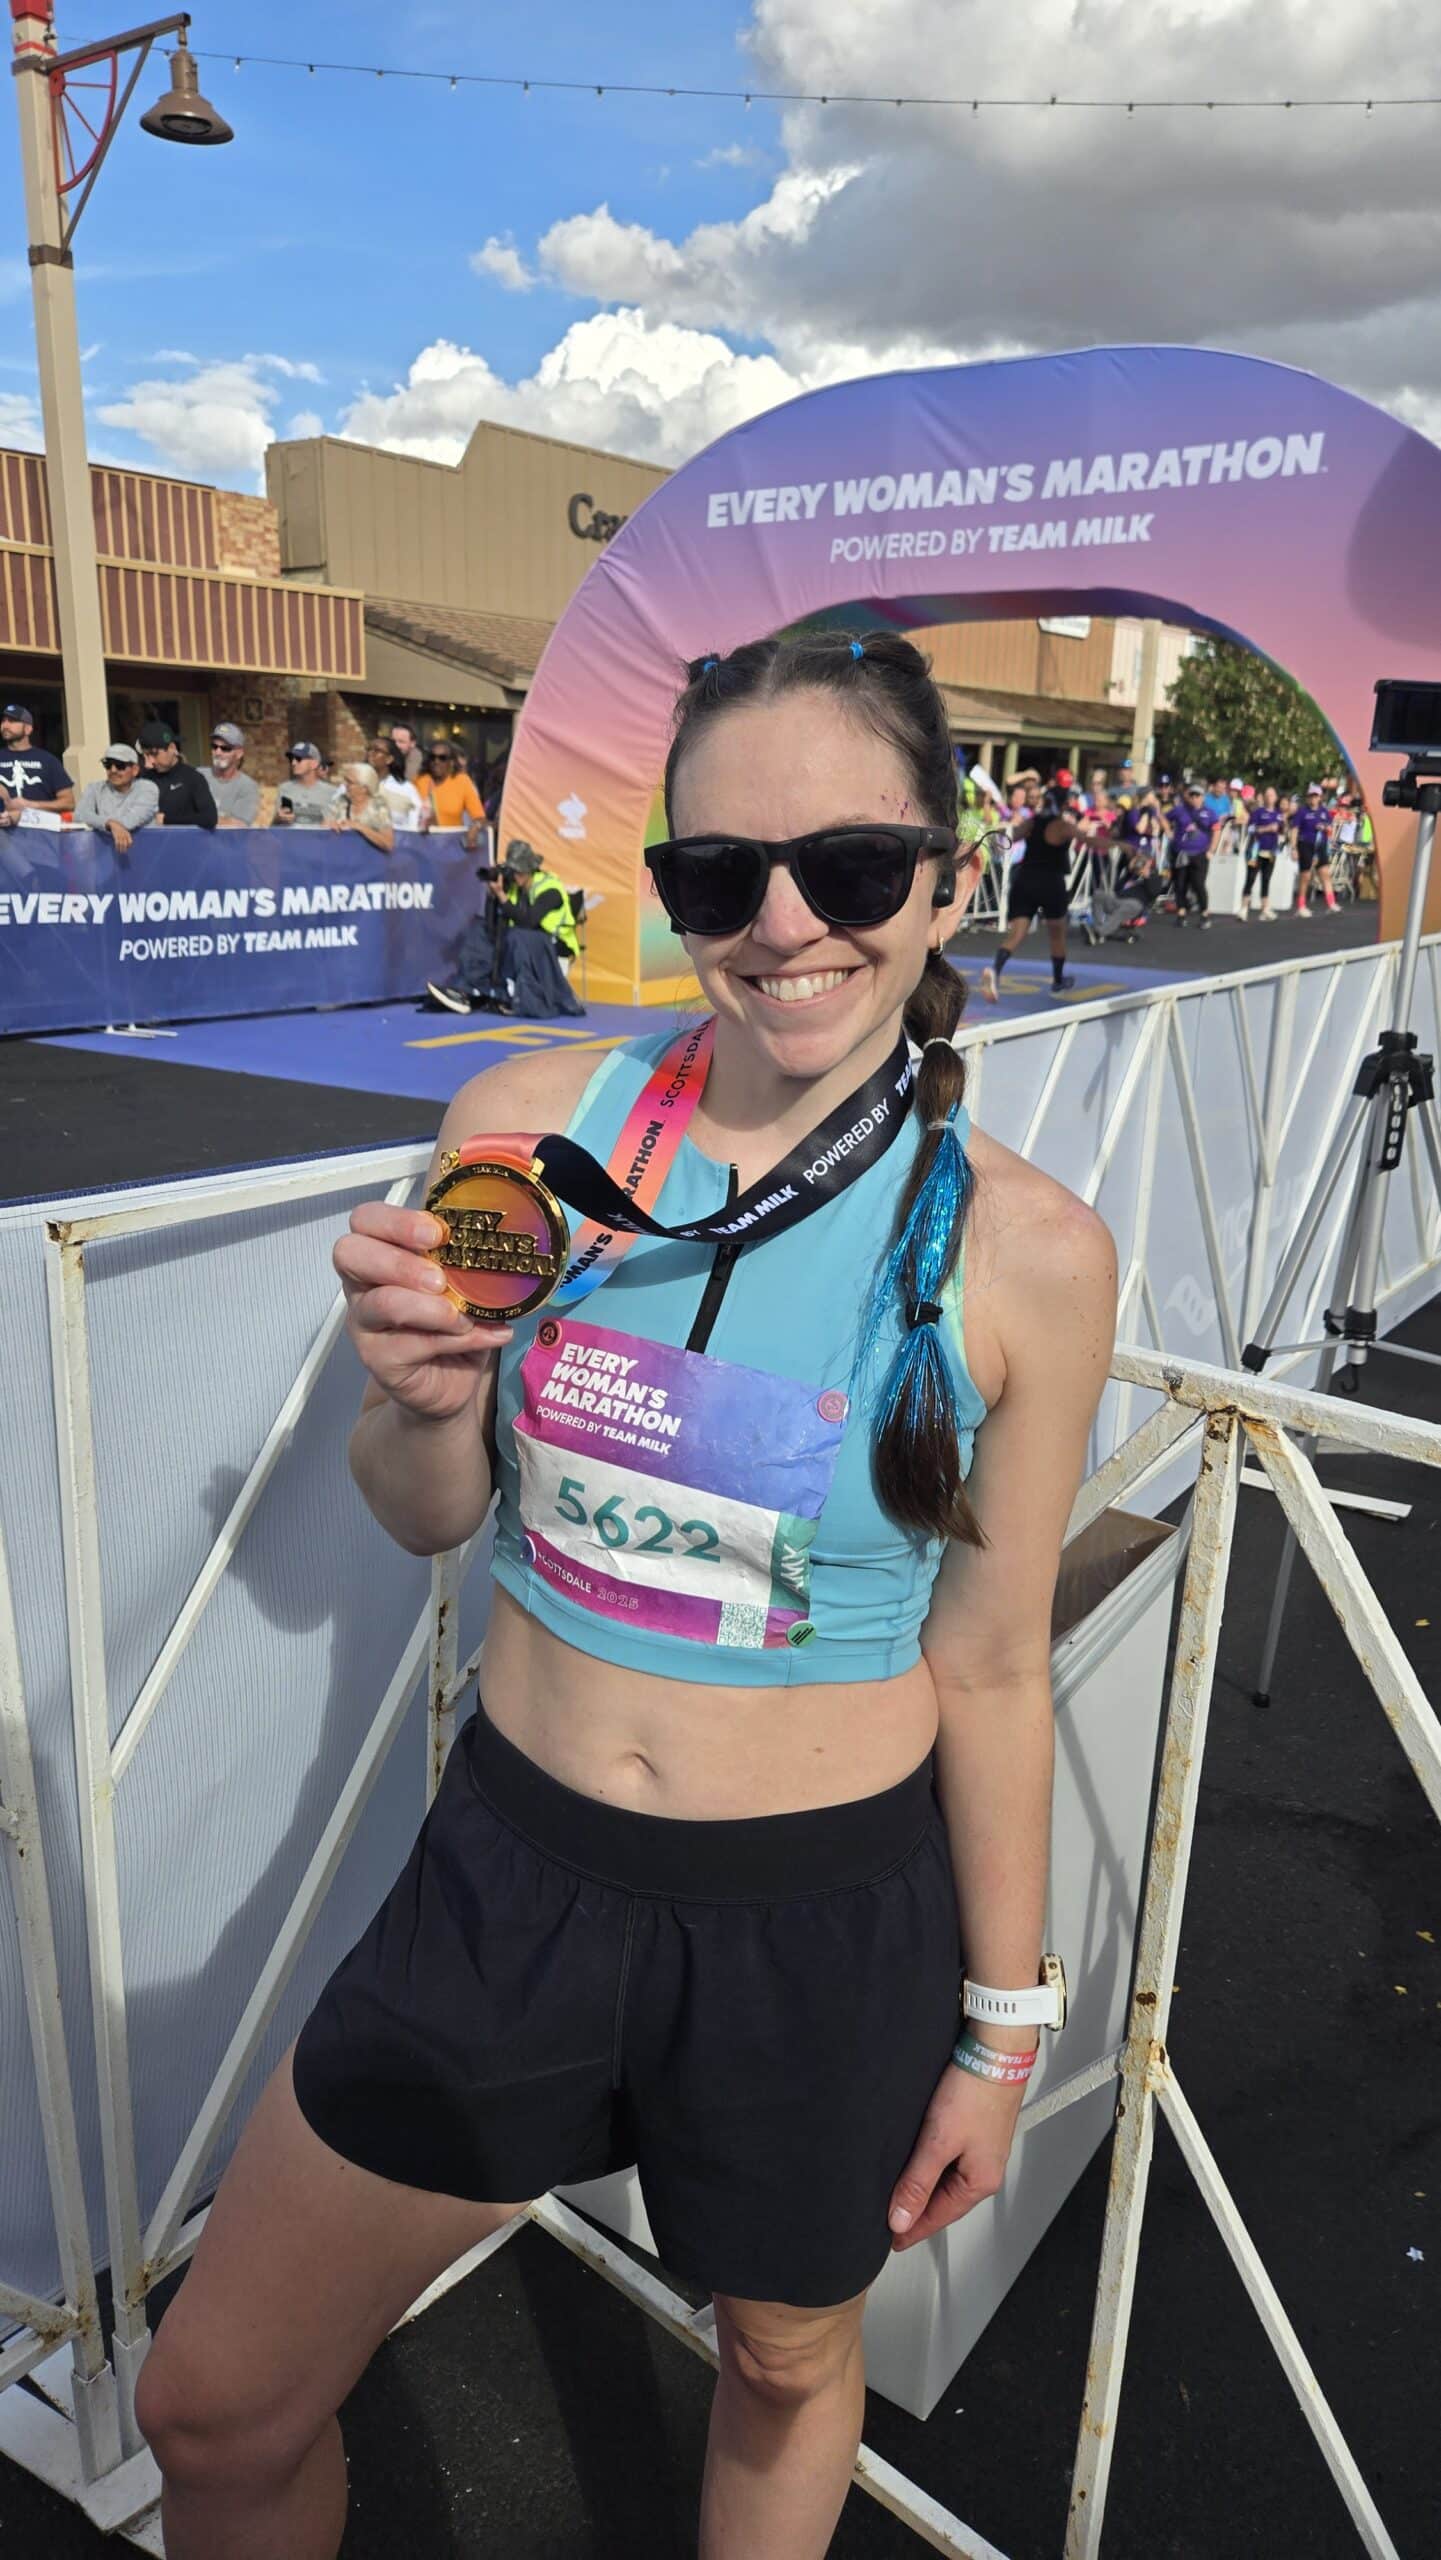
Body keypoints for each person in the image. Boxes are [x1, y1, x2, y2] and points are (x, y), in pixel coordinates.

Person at [135, 626, 1116, 2560]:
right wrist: (420, 1404)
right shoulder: (530, 1129)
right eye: (717, 875)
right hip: (513, 1880)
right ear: (666, 888)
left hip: (819, 1924)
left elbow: (995, 1672)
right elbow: (423, 1515)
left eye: (848, 868)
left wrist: (1006, 2038)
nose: (784, 926)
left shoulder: (1031, 1253)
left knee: (777, 2362)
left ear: (943, 872)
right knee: (216, 2409)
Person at [426, 839, 582, 1018]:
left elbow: (529, 921)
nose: (514, 876)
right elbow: (494, 925)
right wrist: (493, 896)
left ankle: (514, 997)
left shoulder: (550, 888)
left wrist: (502, 896)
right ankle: (465, 991)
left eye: (517, 871)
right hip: (523, 945)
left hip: (553, 950)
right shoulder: (515, 889)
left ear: (528, 869)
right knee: (481, 931)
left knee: (516, 936)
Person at [981, 768, 1089, 1001]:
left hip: (1026, 879)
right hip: (1051, 881)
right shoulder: (1062, 825)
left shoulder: (1032, 822)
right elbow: (1088, 839)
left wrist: (993, 832)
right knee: (1057, 933)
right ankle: (1058, 981)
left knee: (1017, 933)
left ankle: (996, 970)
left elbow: (1012, 837)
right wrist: (1121, 846)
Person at [72, 744, 158, 852]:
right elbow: (79, 815)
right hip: (105, 857)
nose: (113, 770)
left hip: (144, 853)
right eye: (108, 765)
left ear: (135, 770)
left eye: (120, 765)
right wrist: (109, 823)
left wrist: (102, 822)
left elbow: (129, 821)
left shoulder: (147, 788)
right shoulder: (94, 788)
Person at [0, 702, 74, 822]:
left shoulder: (48, 760)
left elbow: (68, 802)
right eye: (3, 721)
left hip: (39, 833)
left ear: (28, 729)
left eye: (12, 721)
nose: (5, 725)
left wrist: (30, 805)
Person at [137, 721, 218, 829]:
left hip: (184, 843)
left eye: (154, 754)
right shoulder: (145, 779)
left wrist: (167, 819)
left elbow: (209, 818)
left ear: (172, 748)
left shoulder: (193, 778)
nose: (149, 762)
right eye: (146, 755)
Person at [414, 740, 484, 847]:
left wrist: (475, 827)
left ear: (451, 762)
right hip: (423, 846)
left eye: (442, 758)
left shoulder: (462, 781)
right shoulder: (419, 781)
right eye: (433, 757)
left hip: (452, 848)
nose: (436, 761)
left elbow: (479, 817)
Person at [1168, 784, 1216, 928]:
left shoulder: (1209, 813)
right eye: (1192, 795)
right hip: (1181, 852)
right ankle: (1181, 913)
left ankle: (1204, 914)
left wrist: (1211, 850)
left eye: (1197, 795)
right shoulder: (1180, 810)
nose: (1194, 798)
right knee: (1180, 883)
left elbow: (1217, 830)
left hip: (1199, 853)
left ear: (1202, 797)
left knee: (1198, 884)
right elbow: (1163, 817)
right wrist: (1167, 831)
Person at [200, 723, 261, 828]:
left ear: (239, 753)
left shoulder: (247, 786)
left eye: (225, 748)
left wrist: (198, 818)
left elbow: (238, 825)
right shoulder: (198, 775)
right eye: (214, 747)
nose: (218, 752)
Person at [1290, 783, 1337, 917]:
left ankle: (1331, 903)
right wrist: (1294, 848)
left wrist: (1326, 829)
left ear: (1320, 797)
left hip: (1320, 846)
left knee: (1325, 873)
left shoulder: (1324, 811)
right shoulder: (1302, 812)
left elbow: (1330, 827)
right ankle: (1301, 906)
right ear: (1308, 797)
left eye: (1316, 796)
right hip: (1305, 844)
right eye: (1311, 796)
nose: (1313, 799)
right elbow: (1294, 830)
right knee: (1305, 876)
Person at [327, 763, 395, 855]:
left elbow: (388, 844)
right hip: (341, 858)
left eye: (350, 782)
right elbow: (325, 826)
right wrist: (330, 827)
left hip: (369, 862)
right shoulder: (341, 800)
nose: (344, 784)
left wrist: (360, 827)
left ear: (364, 788)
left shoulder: (378, 806)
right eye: (345, 780)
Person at [274, 742, 342, 829]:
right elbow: (275, 826)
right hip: (291, 840)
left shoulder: (332, 792)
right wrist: (279, 818)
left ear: (314, 763)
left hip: (320, 841)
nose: (293, 763)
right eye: (292, 758)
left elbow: (339, 825)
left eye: (299, 759)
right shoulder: (285, 789)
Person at [368, 735, 426, 833]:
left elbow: (414, 824)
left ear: (389, 759)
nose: (370, 754)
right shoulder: (351, 783)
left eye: (377, 751)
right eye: (369, 749)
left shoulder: (405, 788)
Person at [1243, 786, 1284, 920]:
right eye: (1267, 795)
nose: (1270, 797)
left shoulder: (1278, 814)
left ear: (1276, 798)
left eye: (1272, 795)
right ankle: (1243, 908)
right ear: (1264, 797)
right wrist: (1266, 828)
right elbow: (1250, 829)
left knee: (1266, 879)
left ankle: (1265, 908)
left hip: (1271, 851)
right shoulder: (1258, 812)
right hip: (1256, 850)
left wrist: (1282, 832)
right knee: (1251, 878)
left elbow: (1282, 831)